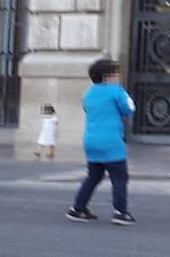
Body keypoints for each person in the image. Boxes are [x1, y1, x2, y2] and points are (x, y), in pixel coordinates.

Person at [66, 60, 136, 226]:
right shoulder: (116, 91)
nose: (119, 76)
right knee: (119, 177)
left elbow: (86, 108)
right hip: (111, 141)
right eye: (116, 73)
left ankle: (78, 207)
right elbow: (129, 109)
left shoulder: (89, 93)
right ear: (109, 76)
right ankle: (120, 212)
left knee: (94, 176)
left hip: (91, 140)